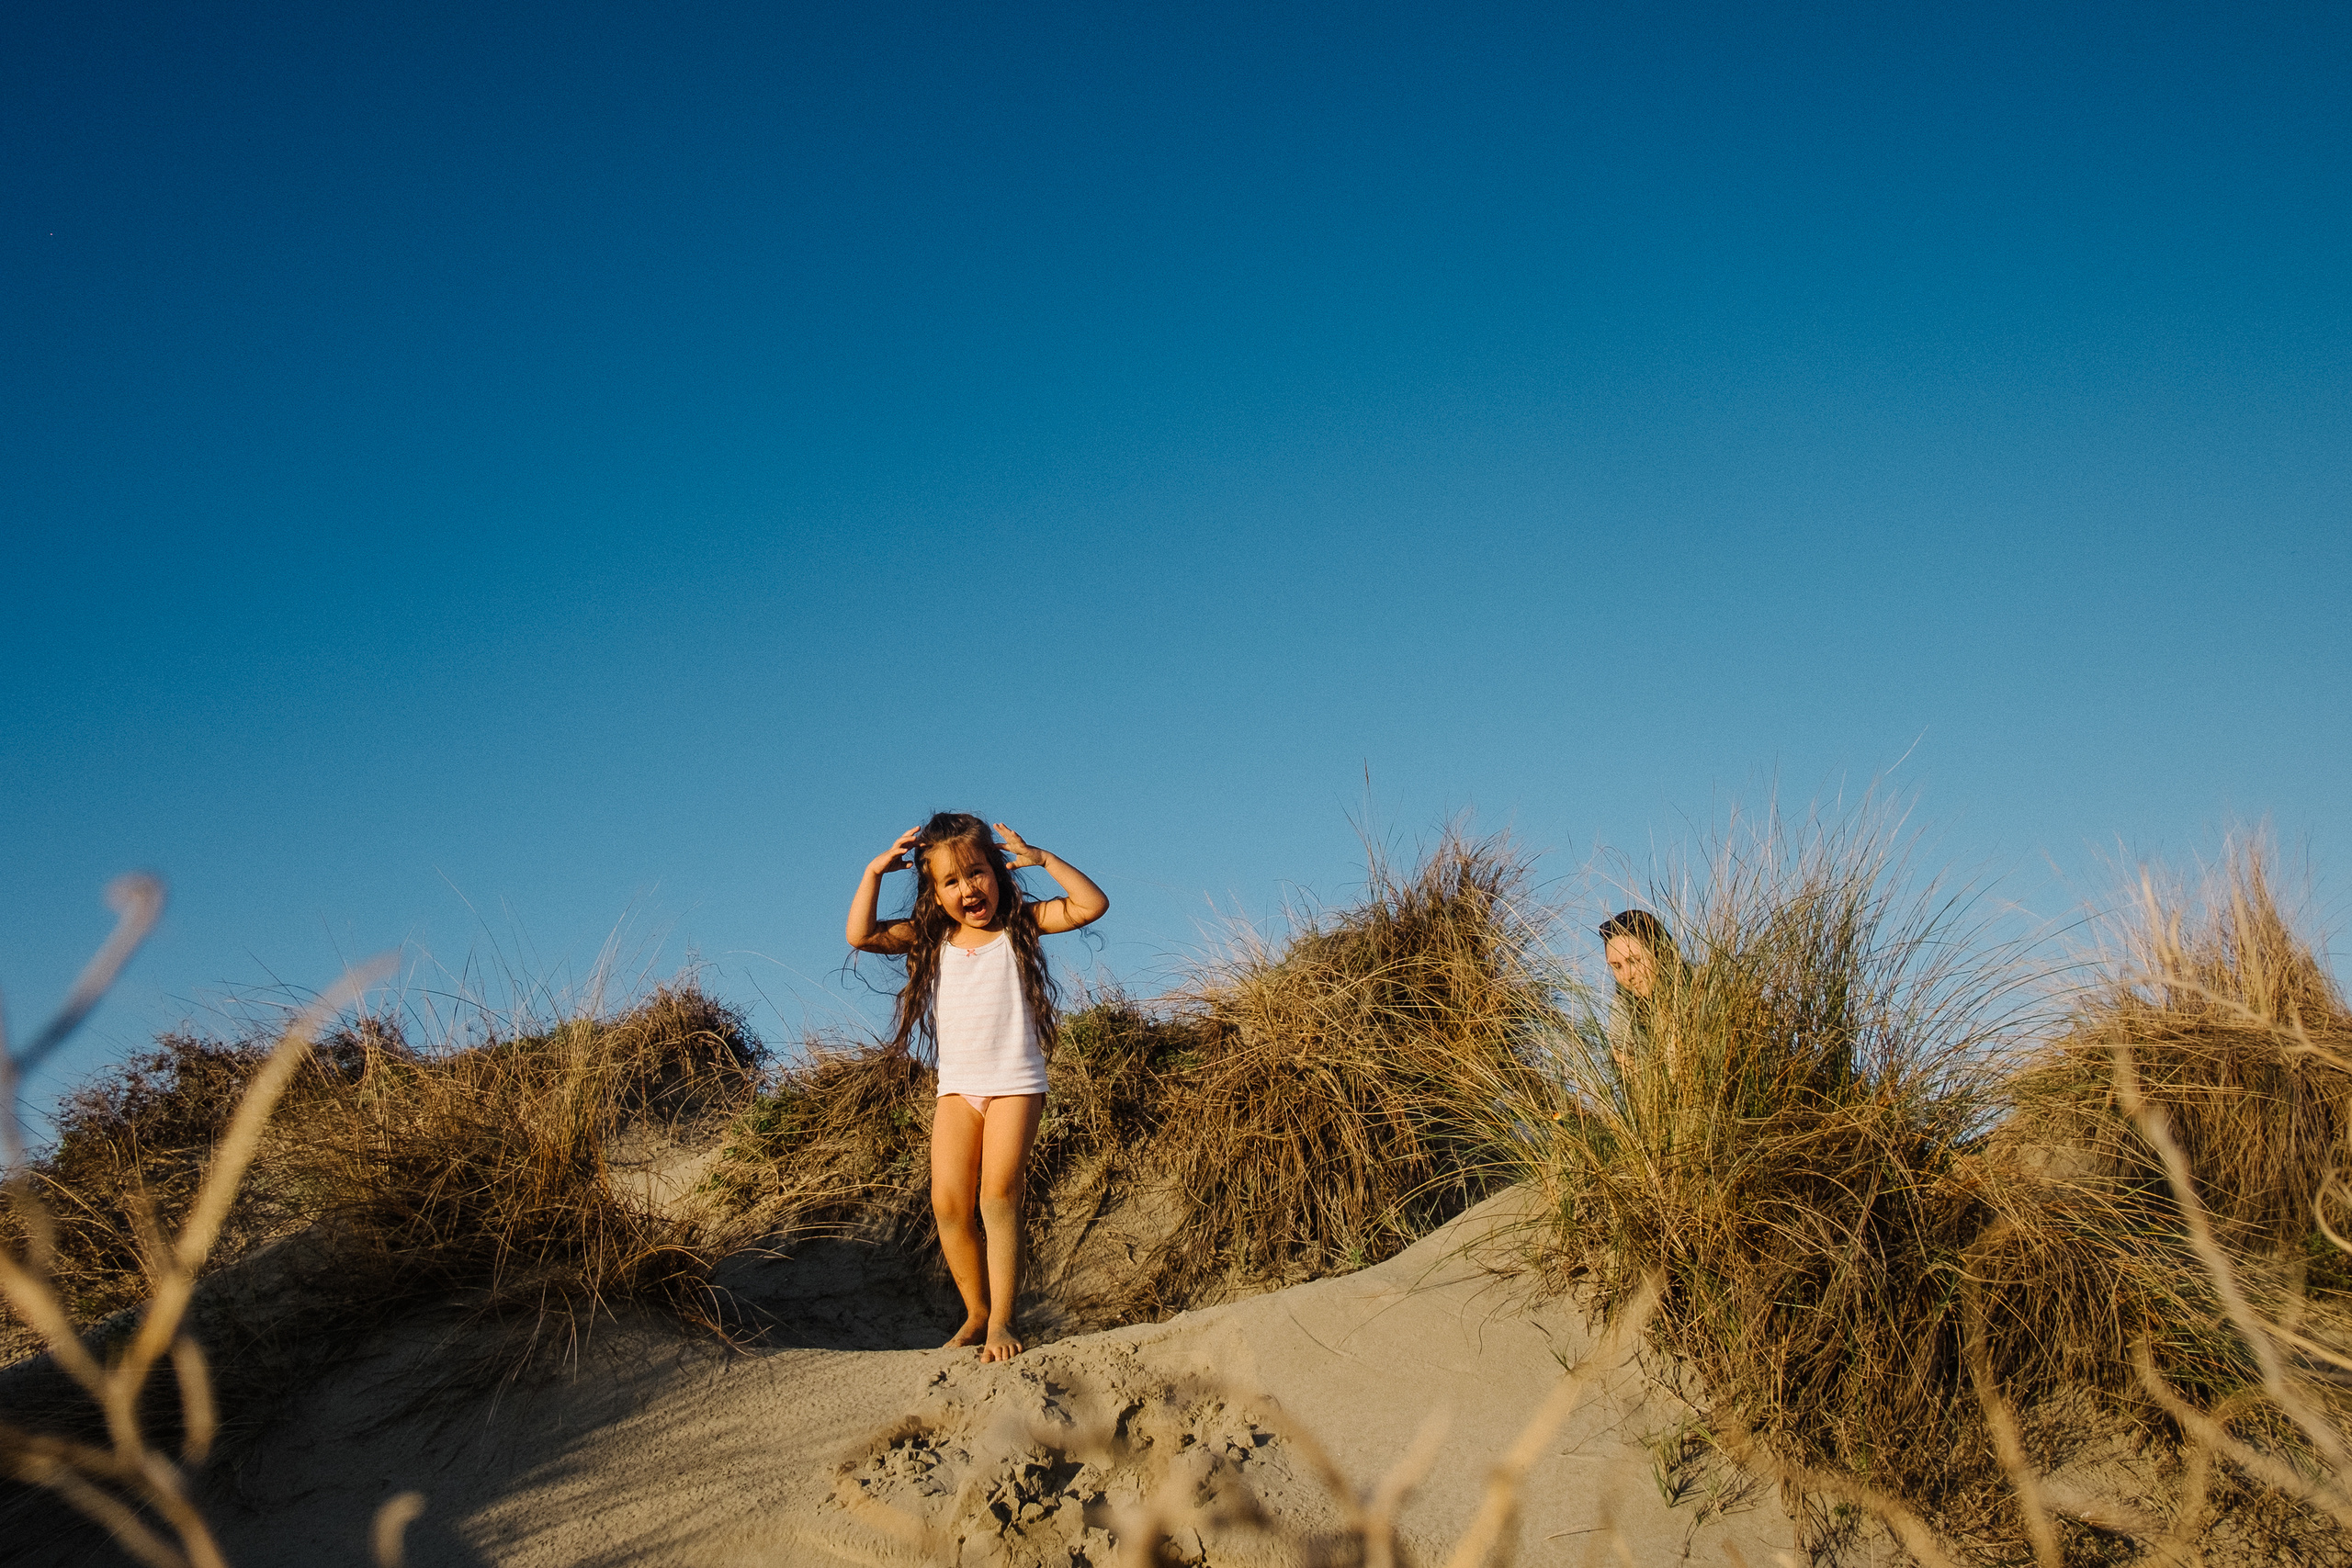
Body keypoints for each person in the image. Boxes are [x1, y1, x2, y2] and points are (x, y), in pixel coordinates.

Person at [845, 812, 1109, 1362]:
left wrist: (1042, 858)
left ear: (996, 870)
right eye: (951, 880)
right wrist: (873, 872)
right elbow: (861, 935)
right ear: (933, 891)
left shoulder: (1020, 925)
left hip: (1016, 1083)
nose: (968, 888)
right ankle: (977, 1312)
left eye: (977, 872)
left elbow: (1091, 905)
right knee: (947, 1206)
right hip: (958, 1089)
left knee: (998, 1196)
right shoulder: (930, 938)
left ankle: (1004, 1322)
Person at [1599, 908, 1679, 1077]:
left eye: (1634, 961)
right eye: (1617, 966)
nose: (1627, 975)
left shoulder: (1704, 987)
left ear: (1660, 952)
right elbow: (1633, 1080)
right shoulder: (1622, 1009)